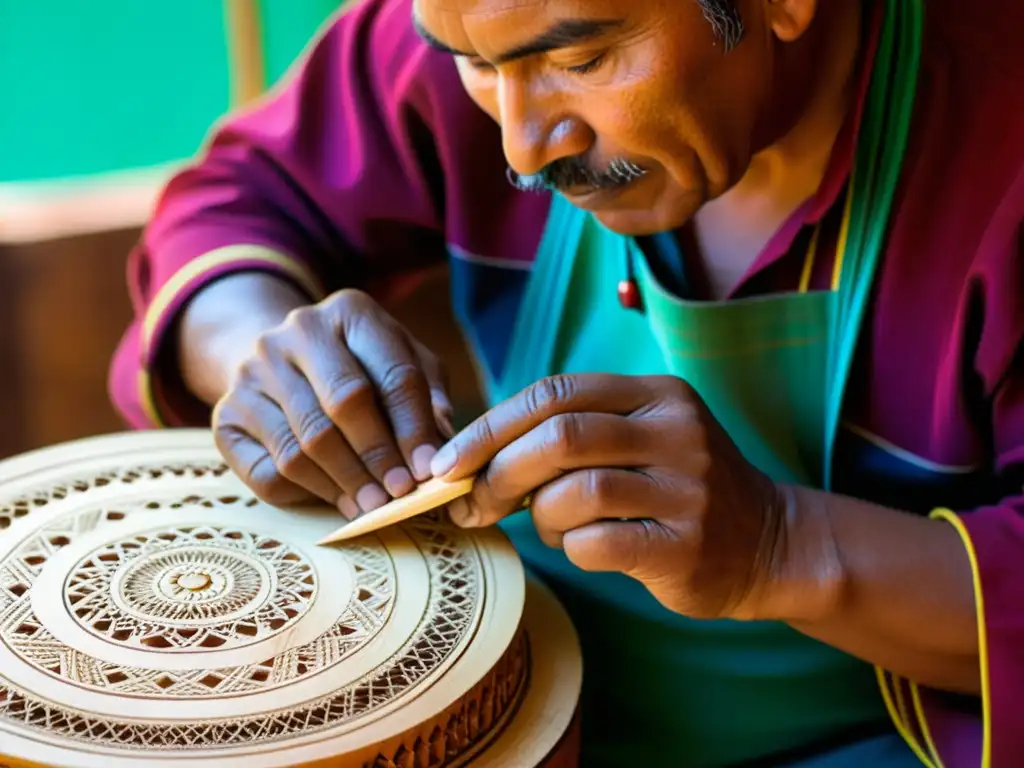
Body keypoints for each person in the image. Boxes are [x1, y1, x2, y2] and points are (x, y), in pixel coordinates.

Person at [108, 0, 1024, 764]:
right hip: (512, 714)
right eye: (471, 64)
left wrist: (776, 548)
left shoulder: (1001, 152)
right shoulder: (491, 20)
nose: (522, 146)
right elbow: (236, 198)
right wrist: (261, 348)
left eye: (582, 58)